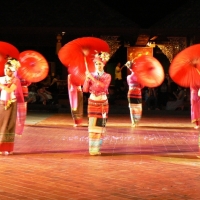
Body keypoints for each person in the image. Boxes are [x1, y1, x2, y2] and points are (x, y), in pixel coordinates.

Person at [83, 51, 111, 156]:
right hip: (92, 102)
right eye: (96, 64)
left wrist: (91, 78)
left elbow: (103, 87)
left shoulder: (107, 76)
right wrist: (86, 80)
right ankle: (92, 149)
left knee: (100, 126)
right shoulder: (91, 75)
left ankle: (97, 148)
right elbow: (85, 90)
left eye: (100, 64)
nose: (98, 66)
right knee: (92, 126)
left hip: (103, 103)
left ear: (103, 64)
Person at [0, 58, 23, 155]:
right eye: (5, 69)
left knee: (10, 125)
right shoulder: (1, 79)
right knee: (1, 125)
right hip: (2, 103)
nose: (6, 71)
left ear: (12, 70)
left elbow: (9, 90)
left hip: (12, 103)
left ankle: (8, 148)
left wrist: (1, 85)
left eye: (8, 69)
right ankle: (1, 147)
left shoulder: (16, 80)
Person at [125, 61, 143, 127]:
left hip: (130, 92)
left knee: (132, 108)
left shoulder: (128, 77)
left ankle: (133, 122)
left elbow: (128, 84)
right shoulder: (139, 77)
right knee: (138, 108)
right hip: (137, 92)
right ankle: (136, 121)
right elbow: (142, 85)